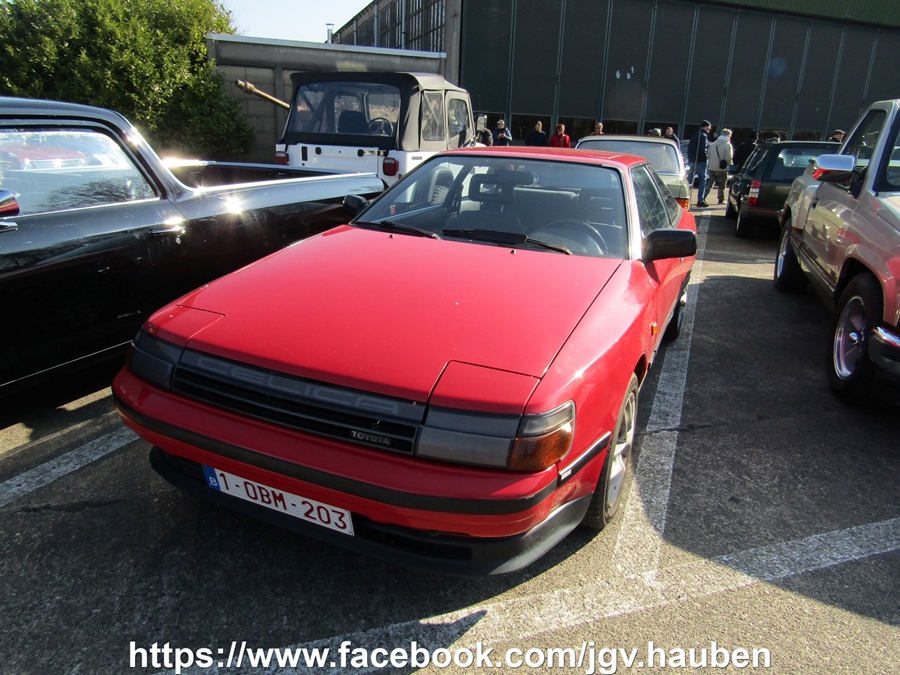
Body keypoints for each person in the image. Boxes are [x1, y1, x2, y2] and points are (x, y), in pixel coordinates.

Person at [705, 127, 733, 204]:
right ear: (728, 135)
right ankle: (721, 199)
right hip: (722, 168)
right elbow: (728, 157)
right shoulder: (728, 145)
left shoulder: (713, 144)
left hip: (712, 167)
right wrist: (730, 166)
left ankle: (703, 196)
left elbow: (709, 155)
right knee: (722, 185)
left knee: (709, 183)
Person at [687, 120, 712, 208]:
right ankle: (700, 200)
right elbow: (702, 149)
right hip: (700, 161)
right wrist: (706, 158)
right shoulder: (703, 136)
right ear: (705, 127)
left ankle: (685, 197)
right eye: (709, 127)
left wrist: (691, 159)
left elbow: (690, 148)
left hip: (692, 161)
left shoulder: (695, 135)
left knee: (689, 181)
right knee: (702, 180)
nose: (710, 129)